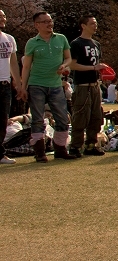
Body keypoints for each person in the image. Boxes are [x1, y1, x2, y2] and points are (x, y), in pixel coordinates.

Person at [20, 12, 76, 162]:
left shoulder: (61, 38)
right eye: (45, 22)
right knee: (38, 119)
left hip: (56, 84)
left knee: (62, 118)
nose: (49, 24)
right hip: (36, 84)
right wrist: (23, 87)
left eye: (50, 21)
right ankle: (40, 152)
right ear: (37, 25)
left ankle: (60, 149)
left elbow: (68, 57)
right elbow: (26, 67)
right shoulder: (32, 42)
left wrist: (64, 65)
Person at [67, 15, 106, 157]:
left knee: (96, 116)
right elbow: (72, 65)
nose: (95, 26)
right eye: (92, 23)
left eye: (96, 23)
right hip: (82, 86)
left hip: (96, 85)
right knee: (80, 116)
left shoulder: (96, 44)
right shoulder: (76, 44)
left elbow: (96, 64)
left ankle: (91, 144)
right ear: (83, 25)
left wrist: (101, 71)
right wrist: (94, 68)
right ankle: (75, 146)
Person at [0, 9, 25, 165]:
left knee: (2, 120)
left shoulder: (9, 39)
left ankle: (0, 154)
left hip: (4, 84)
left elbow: (13, 63)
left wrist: (18, 83)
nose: (3, 18)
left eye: (3, 16)